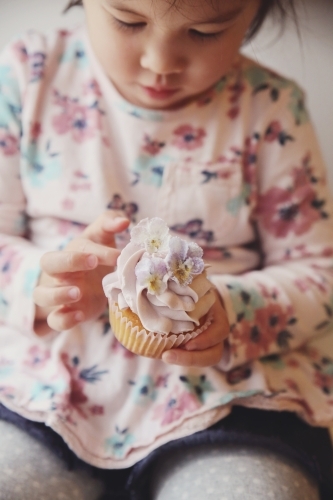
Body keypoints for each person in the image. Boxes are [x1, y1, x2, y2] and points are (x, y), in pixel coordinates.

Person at [0, 0, 332, 498]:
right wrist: (42, 285)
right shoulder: (28, 77)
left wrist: (230, 311)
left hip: (226, 398)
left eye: (204, 32)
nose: (160, 62)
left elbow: (320, 271)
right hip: (42, 388)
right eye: (128, 21)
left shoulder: (270, 108)